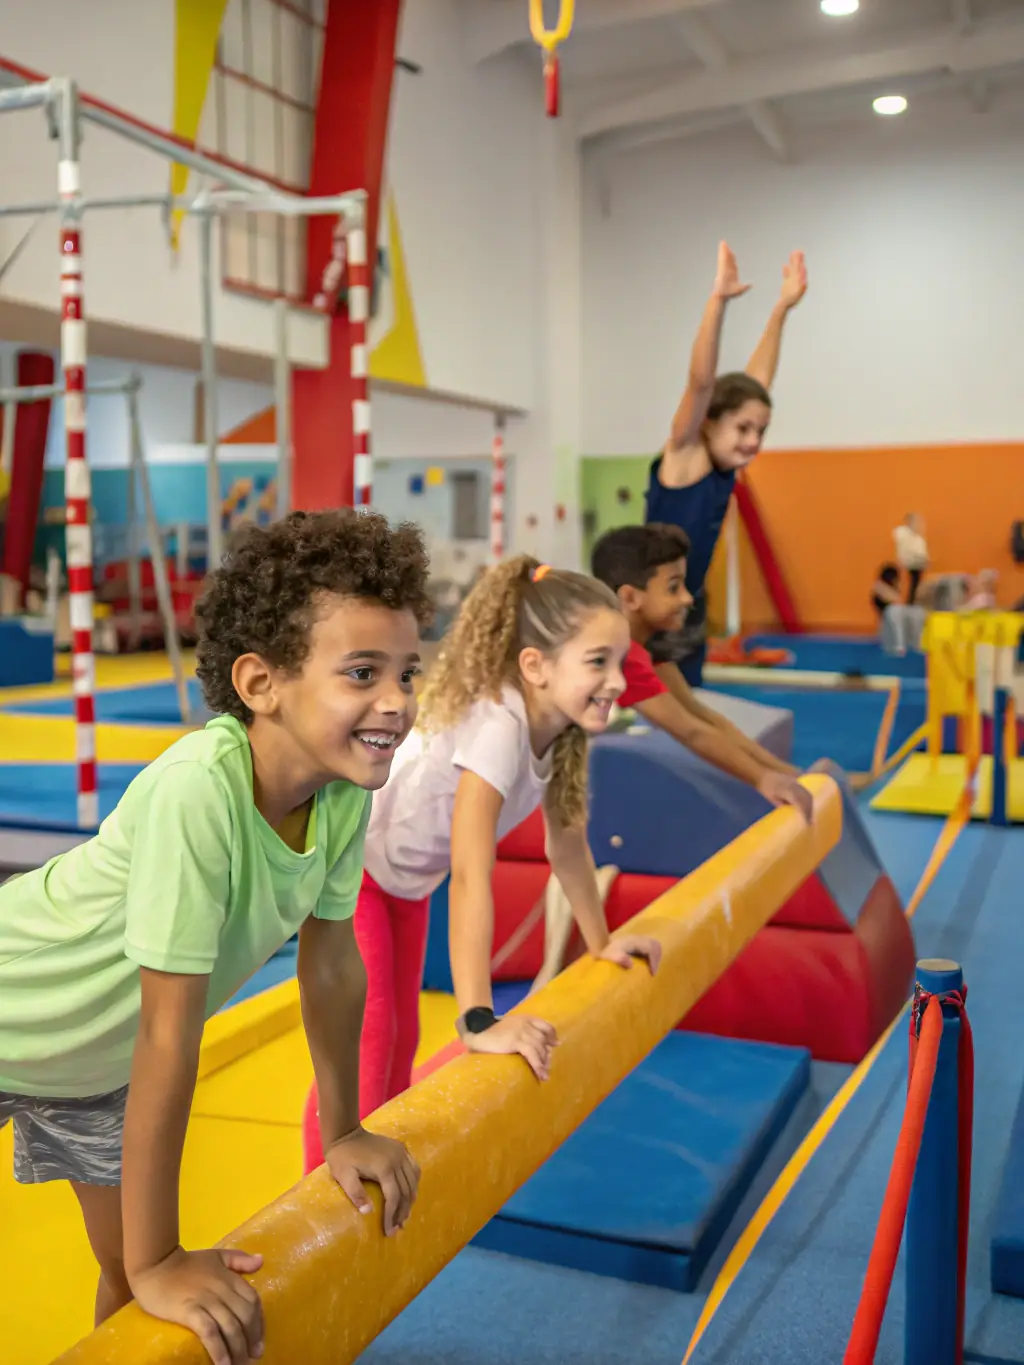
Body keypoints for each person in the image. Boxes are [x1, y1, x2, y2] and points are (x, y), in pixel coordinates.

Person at [0, 510, 431, 1365]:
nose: (396, 702)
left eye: (407, 673)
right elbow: (170, 1027)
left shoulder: (345, 793)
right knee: (151, 1264)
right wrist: (163, 1251)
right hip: (17, 1001)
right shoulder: (200, 789)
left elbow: (334, 964)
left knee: (136, 1296)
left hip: (92, 1067)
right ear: (261, 683)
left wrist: (344, 1129)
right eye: (361, 672)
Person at [302, 557, 663, 1170]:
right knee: (370, 1036)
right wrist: (478, 1019)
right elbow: (471, 872)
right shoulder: (497, 723)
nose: (617, 683)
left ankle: (375, 1178)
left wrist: (600, 942)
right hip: (352, 866)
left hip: (405, 879)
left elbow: (567, 847)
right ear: (536, 666)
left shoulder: (561, 731)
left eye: (619, 663)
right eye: (597, 662)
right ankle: (316, 1198)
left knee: (403, 1041)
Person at [645, 241, 808, 686]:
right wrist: (718, 302)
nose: (754, 442)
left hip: (688, 605)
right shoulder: (686, 454)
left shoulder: (723, 458)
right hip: (646, 612)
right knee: (656, 724)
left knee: (692, 711)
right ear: (710, 422)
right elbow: (700, 384)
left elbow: (757, 381)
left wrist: (781, 310)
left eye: (761, 431)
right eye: (743, 430)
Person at [591, 522, 812, 820]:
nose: (687, 598)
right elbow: (689, 732)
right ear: (630, 598)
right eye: (673, 587)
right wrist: (762, 779)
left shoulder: (646, 650)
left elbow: (701, 715)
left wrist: (783, 771)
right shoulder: (618, 653)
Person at [871, 562, 925, 656]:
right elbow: (895, 599)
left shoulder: (893, 589)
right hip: (888, 621)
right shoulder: (879, 587)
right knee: (896, 610)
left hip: (895, 619)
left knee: (916, 612)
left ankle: (914, 644)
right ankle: (899, 646)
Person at [893, 513, 929, 604]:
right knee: (906, 586)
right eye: (916, 522)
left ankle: (912, 603)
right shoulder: (903, 533)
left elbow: (921, 553)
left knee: (916, 586)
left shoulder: (918, 538)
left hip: (917, 565)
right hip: (907, 564)